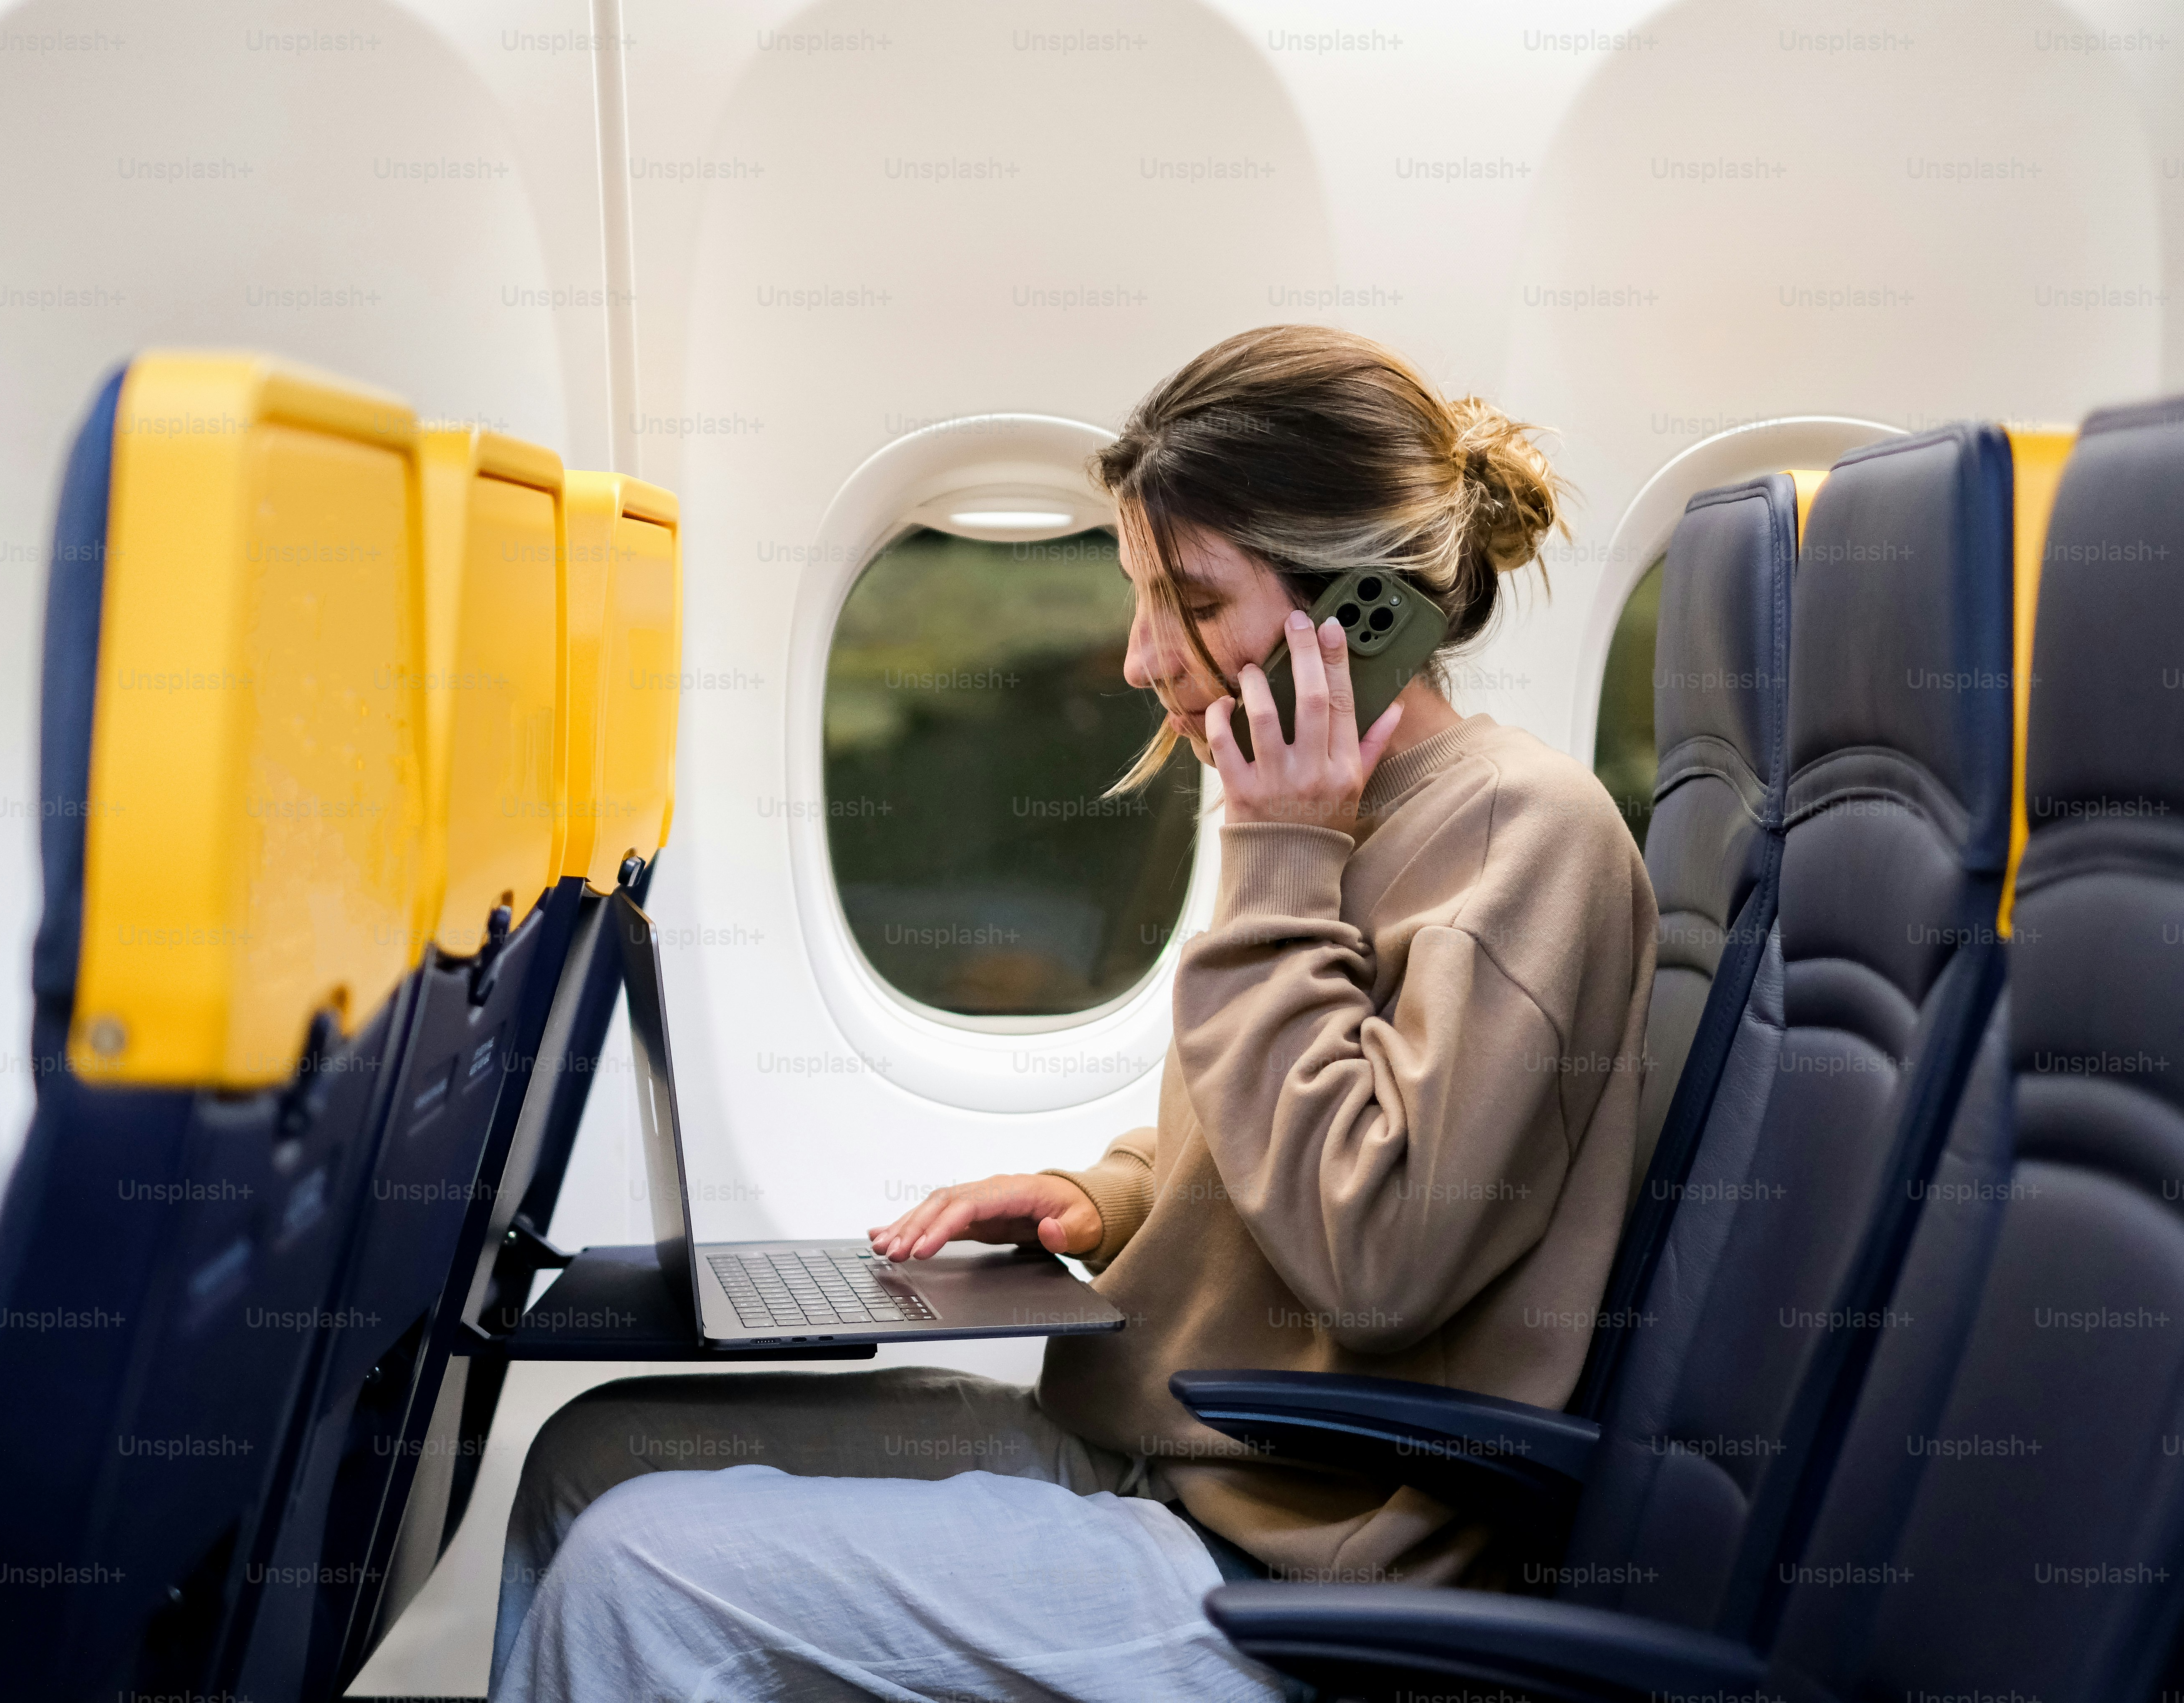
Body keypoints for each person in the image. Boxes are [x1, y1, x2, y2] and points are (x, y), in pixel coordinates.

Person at [487, 325, 1658, 1702]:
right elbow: (1256, 1134)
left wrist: (1281, 857)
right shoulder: (1331, 812)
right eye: (1137, 594)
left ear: (1364, 613)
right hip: (1152, 1447)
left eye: (1192, 601)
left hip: (1279, 1560)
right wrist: (1096, 1193)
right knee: (592, 1456)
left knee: (640, 1568)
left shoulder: (1526, 840)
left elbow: (1375, 1252)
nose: (1138, 657)